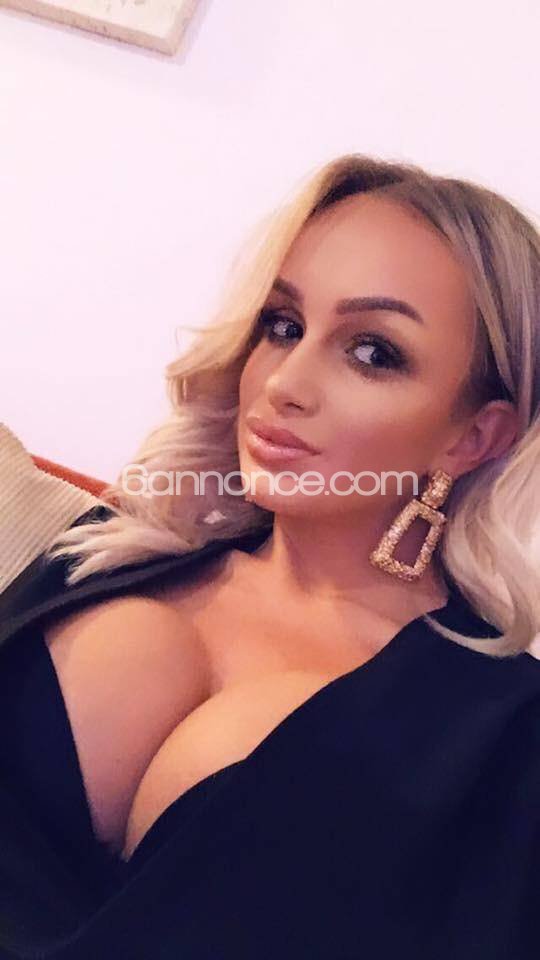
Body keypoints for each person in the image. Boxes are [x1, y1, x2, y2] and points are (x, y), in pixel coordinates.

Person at [1, 152, 539, 959]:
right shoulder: (107, 553)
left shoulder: (502, 741)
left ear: (474, 437)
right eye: (283, 325)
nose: (285, 381)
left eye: (372, 352)